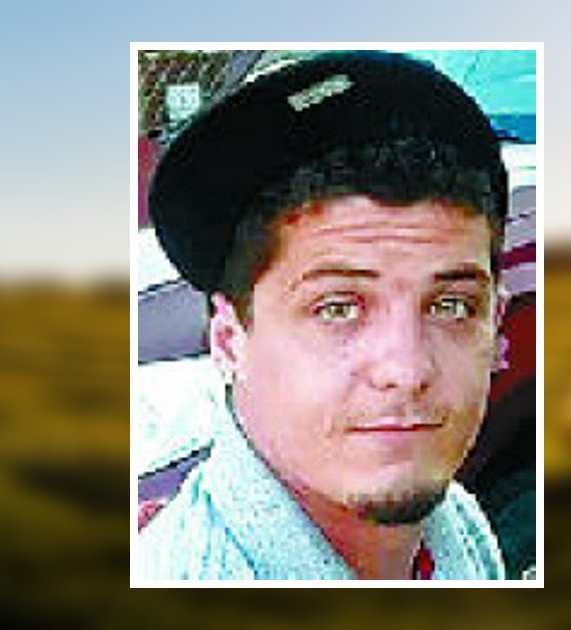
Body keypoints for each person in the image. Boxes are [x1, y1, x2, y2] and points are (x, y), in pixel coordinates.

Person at [137, 50, 511, 580]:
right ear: (228, 341)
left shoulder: (456, 523)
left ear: (495, 321)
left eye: (451, 306)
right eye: (337, 308)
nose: (406, 370)